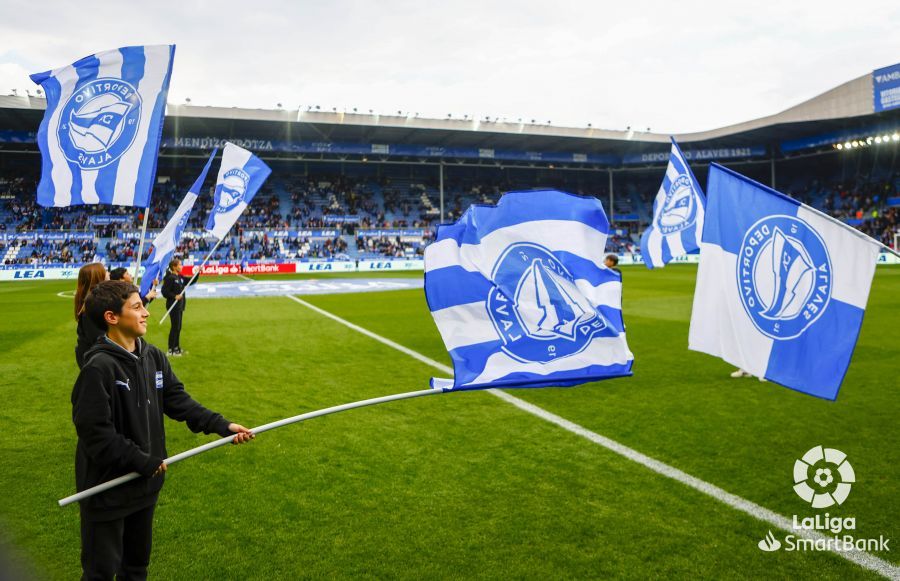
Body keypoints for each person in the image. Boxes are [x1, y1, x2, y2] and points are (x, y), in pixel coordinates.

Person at [72, 280, 253, 579]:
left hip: (144, 487)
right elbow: (95, 434)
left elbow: (178, 401)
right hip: (107, 492)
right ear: (111, 317)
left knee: (136, 569)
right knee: (99, 574)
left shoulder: (153, 356)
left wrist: (223, 426)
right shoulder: (98, 368)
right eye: (137, 307)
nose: (146, 313)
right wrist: (142, 460)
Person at [74, 263, 108, 369]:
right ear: (99, 276)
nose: (108, 273)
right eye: (105, 271)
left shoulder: (94, 303)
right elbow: (100, 340)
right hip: (95, 361)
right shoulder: (92, 307)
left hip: (95, 358)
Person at [161, 258, 196, 357]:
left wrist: (197, 274)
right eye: (180, 265)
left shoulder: (179, 277)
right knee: (175, 327)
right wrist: (174, 296)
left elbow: (190, 281)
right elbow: (164, 291)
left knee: (178, 327)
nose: (181, 266)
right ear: (174, 267)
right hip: (173, 305)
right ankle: (170, 349)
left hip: (180, 306)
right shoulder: (170, 278)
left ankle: (176, 348)